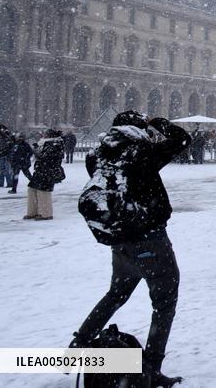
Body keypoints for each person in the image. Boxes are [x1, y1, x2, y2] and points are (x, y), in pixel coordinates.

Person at [72, 111, 191, 388]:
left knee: (115, 294)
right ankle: (151, 369)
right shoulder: (142, 151)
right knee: (164, 303)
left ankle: (78, 344)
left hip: (119, 240)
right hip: (149, 238)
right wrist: (156, 123)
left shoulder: (97, 156)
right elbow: (182, 139)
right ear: (139, 129)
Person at [24, 129, 65, 220]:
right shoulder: (44, 144)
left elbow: (49, 158)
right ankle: (33, 211)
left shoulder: (55, 144)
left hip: (48, 171)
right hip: (40, 170)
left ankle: (45, 213)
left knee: (43, 191)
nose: (43, 135)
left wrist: (37, 153)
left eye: (46, 134)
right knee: (32, 189)